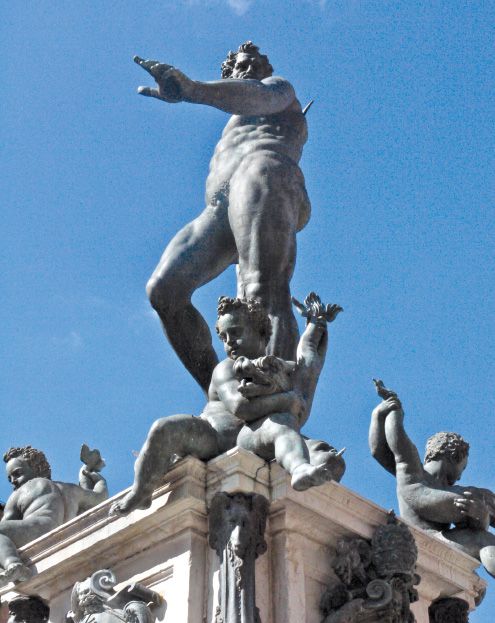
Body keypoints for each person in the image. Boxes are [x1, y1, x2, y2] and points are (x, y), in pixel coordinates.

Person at [135, 41, 312, 394]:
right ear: (228, 74)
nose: (246, 69)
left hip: (266, 172)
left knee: (261, 288)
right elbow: (238, 98)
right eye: (239, 66)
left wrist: (193, 90)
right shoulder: (231, 118)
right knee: (164, 291)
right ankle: (224, 395)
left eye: (253, 64)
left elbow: (258, 97)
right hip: (221, 205)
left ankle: (277, 399)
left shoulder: (278, 90)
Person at [109, 296, 345, 517]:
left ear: (262, 333)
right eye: (224, 337)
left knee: (282, 425)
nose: (229, 341)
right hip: (211, 434)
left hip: (247, 437)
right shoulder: (226, 368)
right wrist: (285, 400)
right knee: (163, 428)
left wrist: (317, 323)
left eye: (236, 332)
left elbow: (309, 358)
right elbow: (240, 407)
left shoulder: (278, 368)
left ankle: (299, 468)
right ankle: (141, 492)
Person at [369, 380, 495, 577]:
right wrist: (389, 410)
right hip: (420, 542)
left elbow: (477, 521)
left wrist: (482, 516)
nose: (461, 474)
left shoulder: (455, 490)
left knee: (478, 562)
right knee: (485, 541)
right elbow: (382, 448)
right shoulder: (414, 472)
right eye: (462, 467)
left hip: (441, 542)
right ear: (454, 458)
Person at [0, 445, 108, 585]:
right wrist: (94, 477)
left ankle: (13, 564)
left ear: (36, 467)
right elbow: (99, 497)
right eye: (10, 479)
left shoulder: (19, 493)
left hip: (37, 528)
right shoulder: (69, 489)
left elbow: (4, 525)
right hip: (62, 532)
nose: (13, 481)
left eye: (17, 473)